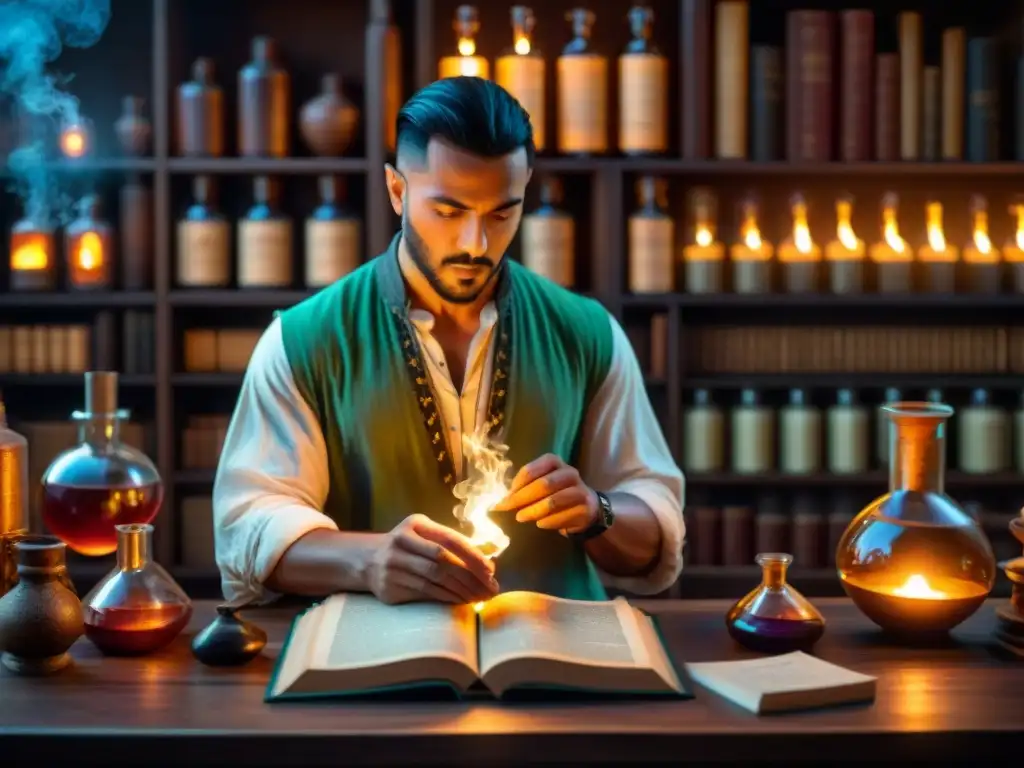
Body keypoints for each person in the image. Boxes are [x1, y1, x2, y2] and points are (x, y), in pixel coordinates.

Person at [213, 76, 685, 607]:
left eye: (502, 213)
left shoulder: (588, 333)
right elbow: (248, 526)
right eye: (449, 211)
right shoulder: (302, 340)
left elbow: (655, 533)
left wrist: (597, 511)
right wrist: (368, 560)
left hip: (558, 667)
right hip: (377, 665)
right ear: (397, 191)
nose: (475, 244)